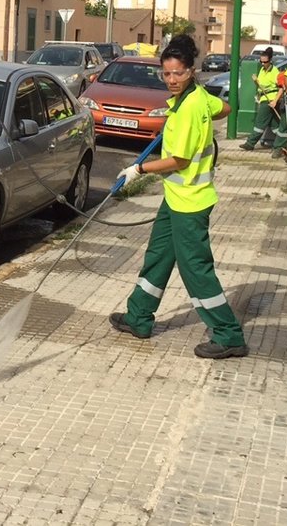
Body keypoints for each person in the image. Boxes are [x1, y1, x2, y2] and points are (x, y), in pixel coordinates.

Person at [110, 34, 249, 360]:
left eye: (179, 73)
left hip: (190, 202)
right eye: (167, 73)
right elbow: (225, 107)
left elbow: (180, 160)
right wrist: (203, 119)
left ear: (191, 71)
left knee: (195, 270)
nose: (172, 80)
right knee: (158, 256)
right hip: (175, 198)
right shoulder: (198, 98)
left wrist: (139, 169)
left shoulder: (189, 108)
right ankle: (138, 317)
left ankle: (229, 335)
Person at [239, 49, 281, 150]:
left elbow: (281, 88)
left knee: (260, 122)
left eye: (265, 62)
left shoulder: (275, 71)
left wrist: (275, 101)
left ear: (270, 60)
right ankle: (284, 142)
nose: (262, 64)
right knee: (275, 125)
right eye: (261, 61)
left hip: (269, 100)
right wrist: (256, 81)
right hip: (263, 98)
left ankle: (250, 143)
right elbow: (261, 86)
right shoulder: (262, 70)